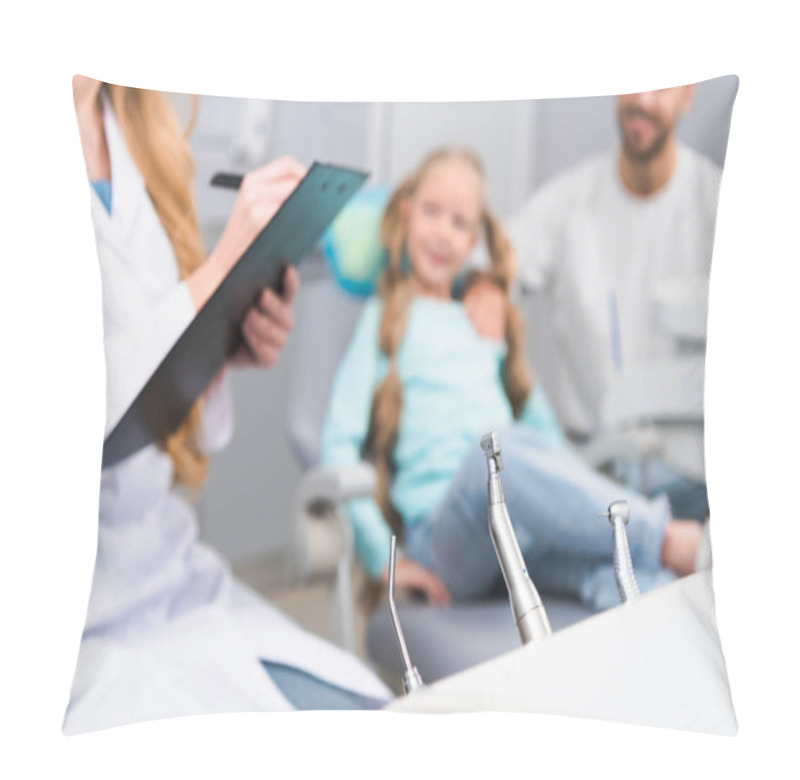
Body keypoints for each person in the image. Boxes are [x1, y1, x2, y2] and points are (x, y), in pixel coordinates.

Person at [64, 78, 391, 734]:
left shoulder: (134, 129)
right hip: (71, 622)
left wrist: (222, 345)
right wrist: (216, 275)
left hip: (172, 575)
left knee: (371, 716)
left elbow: (160, 388)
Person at [320, 147, 703, 611]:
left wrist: (575, 507)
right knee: (499, 453)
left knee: (626, 571)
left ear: (474, 241)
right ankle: (667, 536)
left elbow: (546, 439)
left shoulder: (482, 321)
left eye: (459, 223)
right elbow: (336, 443)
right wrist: (386, 559)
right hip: (448, 539)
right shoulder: (386, 320)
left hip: (519, 536)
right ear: (406, 213)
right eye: (431, 212)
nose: (442, 232)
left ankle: (676, 638)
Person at [464, 86, 720, 522]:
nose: (642, 99)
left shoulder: (715, 202)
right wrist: (486, 285)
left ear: (687, 96)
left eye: (661, 85)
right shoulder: (569, 202)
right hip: (594, 470)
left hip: (695, 479)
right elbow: (490, 261)